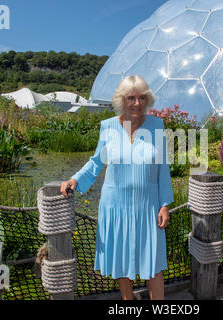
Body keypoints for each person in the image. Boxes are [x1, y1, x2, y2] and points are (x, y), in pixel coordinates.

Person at [60, 75, 174, 300]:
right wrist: (75, 179)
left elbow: (163, 167)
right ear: (122, 100)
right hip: (116, 207)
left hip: (148, 206)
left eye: (142, 98)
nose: (137, 103)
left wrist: (164, 204)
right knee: (122, 263)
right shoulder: (108, 127)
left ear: (147, 100)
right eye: (131, 98)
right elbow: (96, 162)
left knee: (154, 265)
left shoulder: (157, 126)